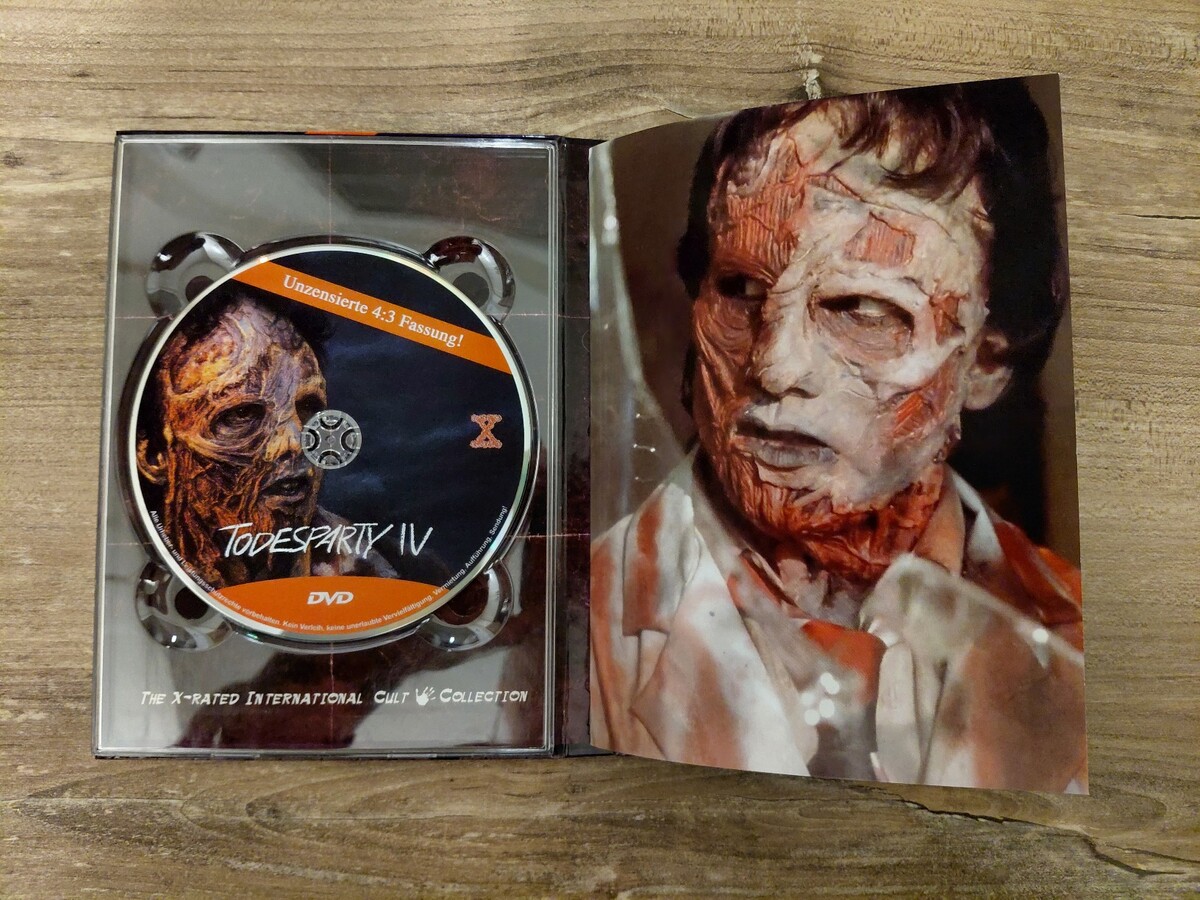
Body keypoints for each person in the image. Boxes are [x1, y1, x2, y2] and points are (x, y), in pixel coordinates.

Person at [590, 83, 1087, 790]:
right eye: (740, 290)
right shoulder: (559, 633)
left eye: (861, 308)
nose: (774, 365)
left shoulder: (1087, 643)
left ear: (985, 361)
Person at [135, 287, 396, 588]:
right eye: (242, 414)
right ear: (154, 454)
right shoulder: (140, 563)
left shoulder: (379, 577)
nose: (296, 442)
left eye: (308, 409)